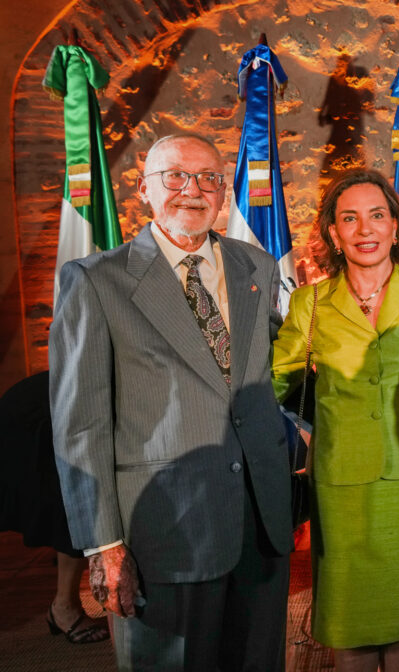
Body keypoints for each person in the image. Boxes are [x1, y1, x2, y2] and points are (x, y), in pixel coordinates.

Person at [50, 132, 293, 671]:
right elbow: (80, 424)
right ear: (143, 189)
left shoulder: (257, 266)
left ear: (224, 193)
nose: (193, 189)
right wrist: (104, 544)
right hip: (165, 534)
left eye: (208, 177)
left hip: (261, 525)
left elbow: (268, 376)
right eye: (175, 176)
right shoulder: (97, 281)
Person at [272, 170, 399, 671]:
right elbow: (274, 382)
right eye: (350, 218)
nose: (365, 229)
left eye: (377, 215)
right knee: (349, 627)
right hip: (341, 485)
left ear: (397, 227)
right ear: (333, 232)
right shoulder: (310, 304)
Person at [0, 372, 108, 644]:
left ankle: (64, 606)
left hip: (65, 411)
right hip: (37, 417)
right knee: (76, 501)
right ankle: (64, 608)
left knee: (80, 499)